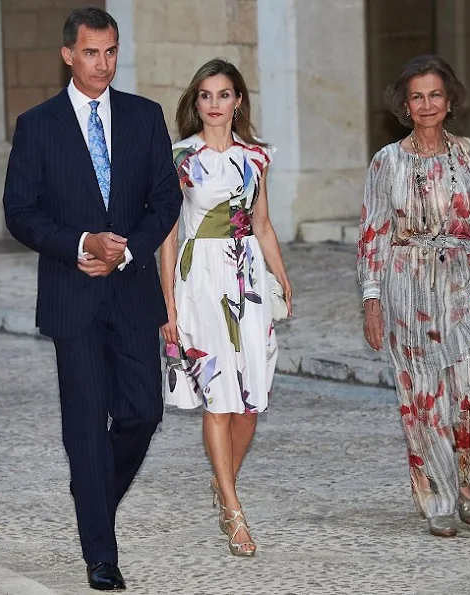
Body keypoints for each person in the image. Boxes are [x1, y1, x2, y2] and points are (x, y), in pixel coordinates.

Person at [3, 7, 182, 590]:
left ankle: (92, 494)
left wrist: (125, 251)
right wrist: (80, 242)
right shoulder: (37, 125)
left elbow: (165, 200)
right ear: (67, 55)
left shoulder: (144, 116)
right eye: (90, 53)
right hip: (71, 292)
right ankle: (100, 554)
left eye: (110, 52)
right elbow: (20, 213)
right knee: (84, 422)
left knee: (142, 413)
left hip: (131, 288)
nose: (102, 64)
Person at [358, 55, 470, 537]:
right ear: (405, 105)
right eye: (417, 96)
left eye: (435, 95)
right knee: (423, 399)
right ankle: (438, 498)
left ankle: (465, 479)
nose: (427, 104)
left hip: (466, 286)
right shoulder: (387, 162)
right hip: (407, 290)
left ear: (449, 101)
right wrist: (372, 302)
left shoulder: (469, 153)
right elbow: (373, 236)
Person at [160, 58, 292, 556]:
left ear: (238, 101)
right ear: (196, 104)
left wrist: (281, 275)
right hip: (200, 282)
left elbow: (262, 223)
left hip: (248, 281)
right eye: (206, 95)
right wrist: (169, 304)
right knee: (219, 397)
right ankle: (235, 513)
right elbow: (169, 235)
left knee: (250, 402)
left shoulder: (256, 157)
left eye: (224, 94)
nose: (215, 104)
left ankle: (223, 484)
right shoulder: (179, 158)